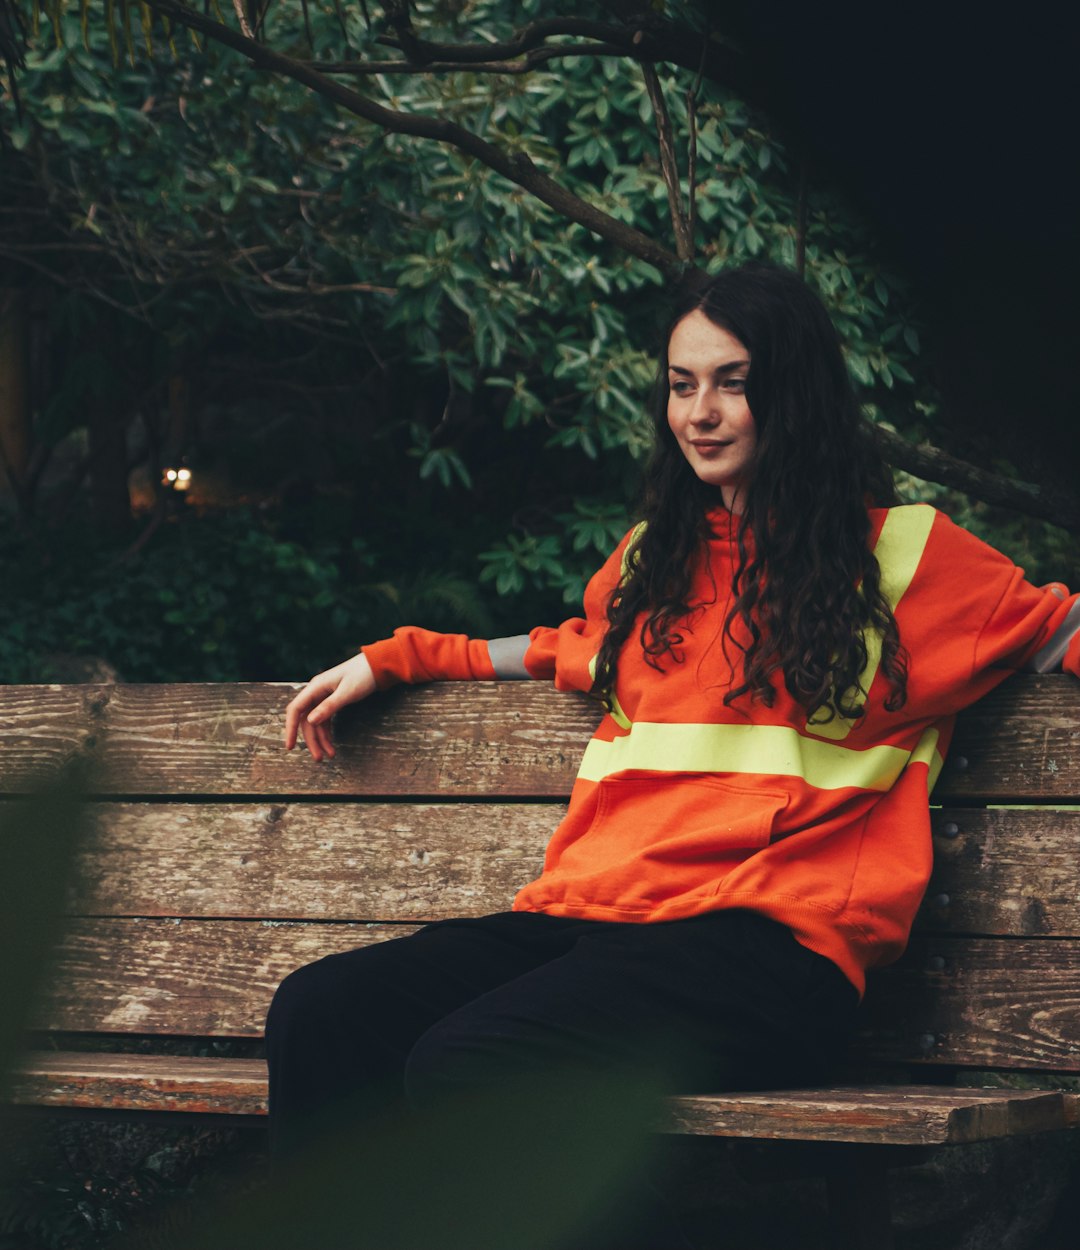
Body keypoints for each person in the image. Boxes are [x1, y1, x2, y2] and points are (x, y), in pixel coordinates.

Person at [268, 262, 1080, 1249]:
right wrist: (397, 658)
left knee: (472, 1060)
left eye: (733, 380)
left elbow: (1055, 630)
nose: (701, 411)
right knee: (320, 1012)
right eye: (682, 383)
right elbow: (571, 645)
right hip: (601, 928)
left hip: (776, 958)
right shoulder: (657, 557)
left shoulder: (911, 558)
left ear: (796, 388)